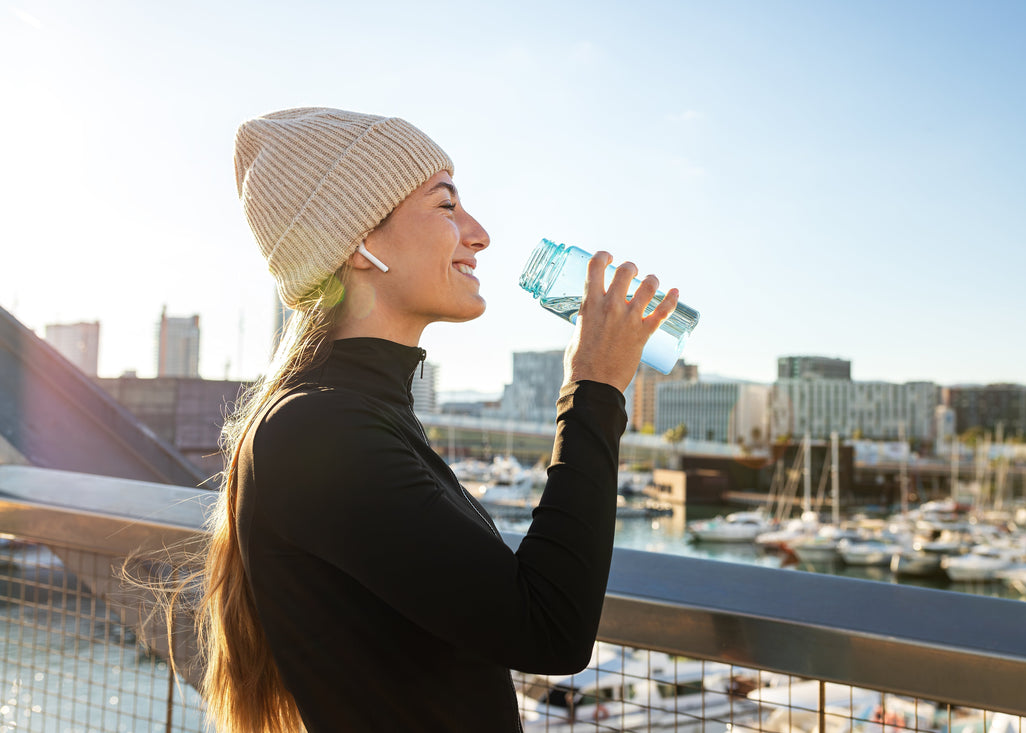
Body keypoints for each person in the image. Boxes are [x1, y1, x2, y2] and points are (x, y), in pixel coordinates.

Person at [200, 107, 678, 732]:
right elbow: (548, 630)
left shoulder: (350, 415)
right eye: (446, 205)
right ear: (360, 243)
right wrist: (594, 388)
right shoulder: (322, 432)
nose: (478, 235)